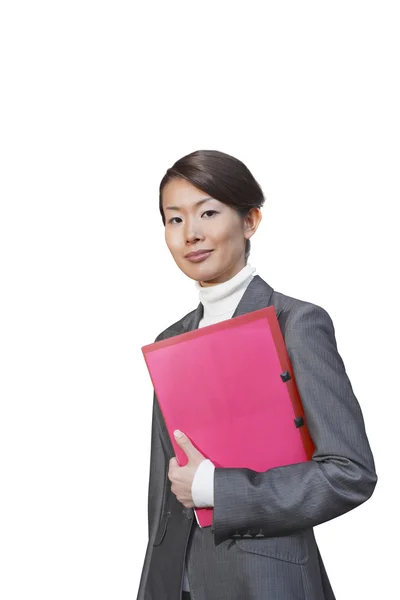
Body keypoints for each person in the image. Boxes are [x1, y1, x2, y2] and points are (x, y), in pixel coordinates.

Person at [136, 149, 377, 600]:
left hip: (268, 585)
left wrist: (215, 489)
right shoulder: (170, 339)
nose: (191, 234)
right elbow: (164, 500)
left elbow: (350, 473)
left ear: (250, 222)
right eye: (174, 219)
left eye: (208, 212)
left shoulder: (295, 323)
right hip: (177, 585)